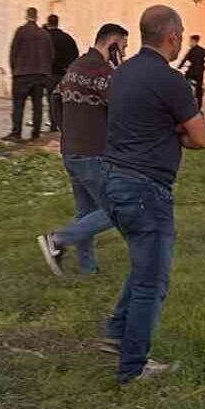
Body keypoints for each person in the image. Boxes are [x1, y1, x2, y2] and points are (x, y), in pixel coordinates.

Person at [100, 5, 205, 385]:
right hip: (146, 190)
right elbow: (200, 138)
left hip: (112, 182)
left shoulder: (121, 73)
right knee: (153, 281)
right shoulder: (171, 81)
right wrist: (173, 134)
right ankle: (132, 368)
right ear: (173, 36)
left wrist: (161, 132)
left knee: (142, 266)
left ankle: (117, 331)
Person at [37, 24, 129, 277]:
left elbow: (55, 97)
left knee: (86, 212)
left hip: (71, 150)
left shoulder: (75, 67)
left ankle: (88, 269)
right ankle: (57, 240)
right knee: (118, 209)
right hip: (93, 152)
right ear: (112, 43)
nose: (123, 53)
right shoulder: (103, 73)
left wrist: (66, 129)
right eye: (122, 47)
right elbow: (122, 108)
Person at [4, 7, 53, 142]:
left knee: (18, 105)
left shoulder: (21, 32)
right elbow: (50, 55)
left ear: (26, 16)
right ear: (37, 17)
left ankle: (16, 133)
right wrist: (45, 71)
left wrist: (14, 70)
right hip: (40, 75)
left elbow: (13, 53)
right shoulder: (44, 34)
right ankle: (35, 133)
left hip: (22, 74)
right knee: (37, 106)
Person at [44, 14, 79, 132]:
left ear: (48, 23)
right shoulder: (67, 38)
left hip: (50, 73)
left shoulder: (46, 37)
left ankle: (54, 124)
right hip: (65, 74)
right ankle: (66, 124)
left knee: (52, 100)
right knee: (65, 100)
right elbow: (75, 55)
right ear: (57, 23)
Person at [177, 35, 205, 110]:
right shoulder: (202, 50)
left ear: (195, 41)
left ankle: (185, 97)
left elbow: (184, 59)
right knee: (199, 88)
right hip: (200, 72)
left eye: (191, 41)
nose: (190, 43)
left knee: (184, 82)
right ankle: (199, 104)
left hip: (192, 72)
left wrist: (179, 67)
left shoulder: (191, 51)